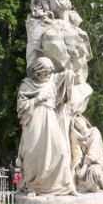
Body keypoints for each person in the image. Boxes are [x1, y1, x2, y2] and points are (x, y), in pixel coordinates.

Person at [16, 57, 77, 196]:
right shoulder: (27, 85)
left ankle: (66, 186)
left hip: (50, 118)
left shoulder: (52, 80)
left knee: (61, 151)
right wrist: (37, 100)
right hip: (34, 119)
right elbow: (21, 106)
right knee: (32, 153)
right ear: (37, 72)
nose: (48, 75)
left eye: (50, 72)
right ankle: (32, 187)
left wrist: (70, 71)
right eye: (45, 73)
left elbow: (66, 75)